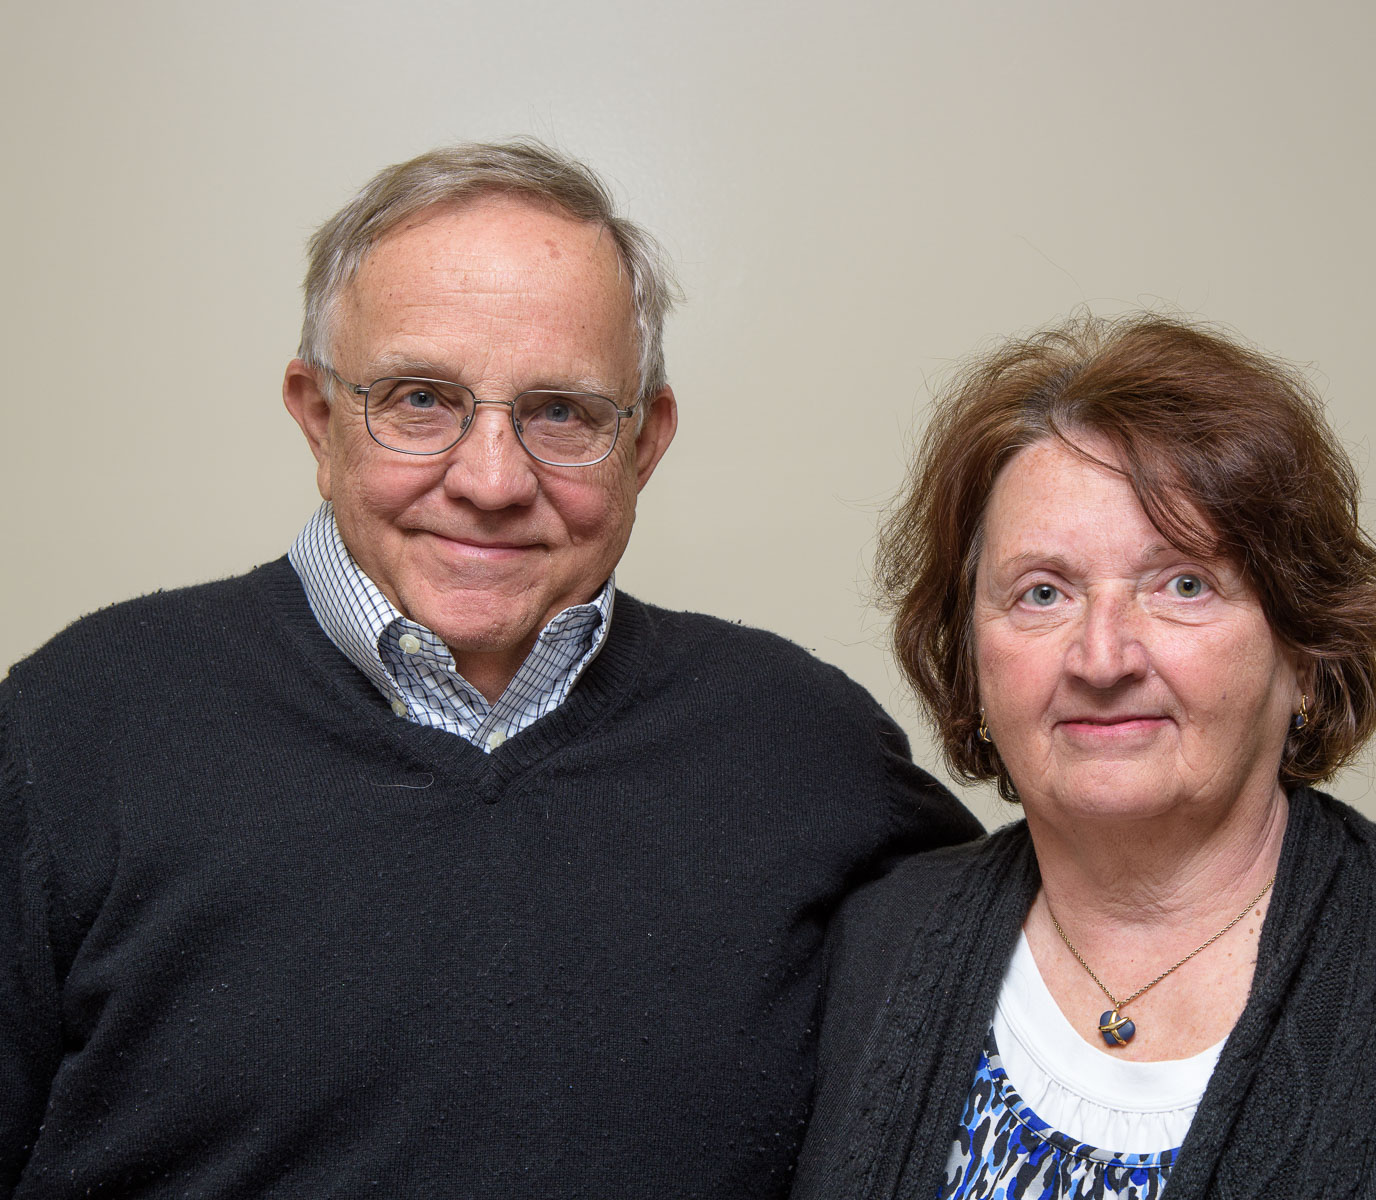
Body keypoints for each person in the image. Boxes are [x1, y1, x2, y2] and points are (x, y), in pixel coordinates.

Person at [0, 140, 980, 1198]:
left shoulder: (806, 746)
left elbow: (1055, 974)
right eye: (420, 399)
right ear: (318, 418)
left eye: (562, 412)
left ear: (645, 442)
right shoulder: (76, 730)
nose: (493, 480)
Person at [791, 314, 1376, 1199]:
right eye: (1042, 593)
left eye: (1183, 584)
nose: (1102, 659)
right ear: (971, 662)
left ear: (1308, 650)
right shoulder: (864, 949)